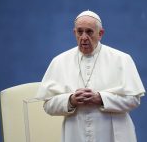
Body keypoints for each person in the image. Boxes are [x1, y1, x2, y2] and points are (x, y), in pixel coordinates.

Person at [36, 10, 145, 142]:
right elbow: (48, 105)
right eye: (80, 32)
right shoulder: (59, 61)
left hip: (114, 135)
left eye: (89, 32)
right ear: (74, 32)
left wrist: (101, 98)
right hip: (75, 134)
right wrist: (70, 100)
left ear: (100, 34)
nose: (83, 37)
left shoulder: (122, 59)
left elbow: (133, 100)